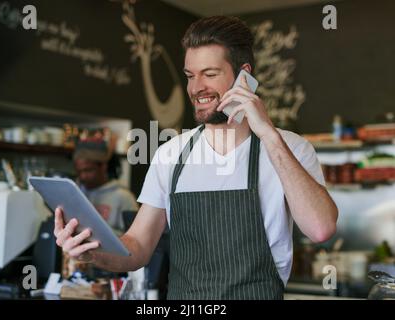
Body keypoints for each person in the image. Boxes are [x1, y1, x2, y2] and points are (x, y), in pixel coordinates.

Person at [54, 16, 338, 300]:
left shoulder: (291, 148)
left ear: (244, 76)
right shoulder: (170, 154)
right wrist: (93, 251)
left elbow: (320, 228)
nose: (196, 87)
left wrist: (268, 134)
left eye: (210, 74)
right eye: (191, 75)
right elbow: (137, 247)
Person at [73, 136, 138, 234]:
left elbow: (134, 237)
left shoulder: (124, 197)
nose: (83, 176)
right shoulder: (76, 192)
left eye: (88, 170)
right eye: (79, 171)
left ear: (103, 167)